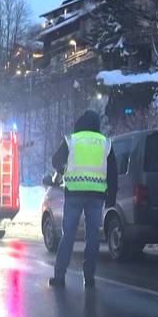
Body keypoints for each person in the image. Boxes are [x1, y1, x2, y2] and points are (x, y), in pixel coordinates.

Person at [48, 109, 117, 288]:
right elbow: (113, 174)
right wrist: (111, 197)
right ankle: (89, 277)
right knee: (92, 237)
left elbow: (55, 161)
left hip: (74, 194)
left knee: (68, 235)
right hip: (96, 196)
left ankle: (59, 276)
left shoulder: (72, 140)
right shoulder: (105, 143)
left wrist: (64, 171)